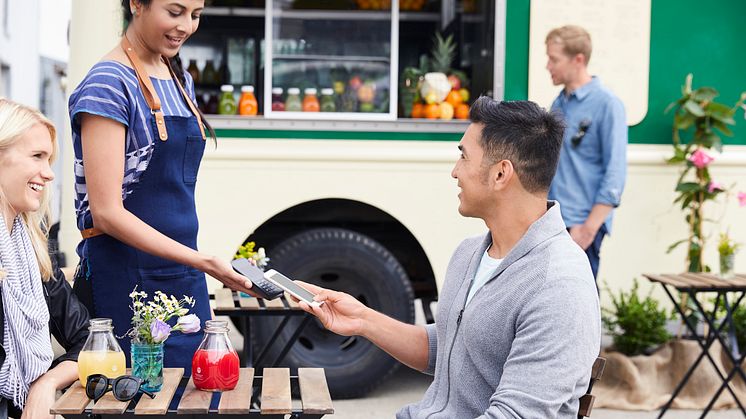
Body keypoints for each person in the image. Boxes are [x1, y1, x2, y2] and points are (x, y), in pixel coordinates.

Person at [297, 97, 601, 418]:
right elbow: (451, 348)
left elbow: (516, 414)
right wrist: (362, 320)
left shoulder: (559, 285)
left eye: (464, 157)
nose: (455, 172)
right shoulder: (470, 252)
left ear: (500, 174)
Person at [68, 0, 254, 373]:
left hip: (184, 279)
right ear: (137, 3)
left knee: (198, 397)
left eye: (196, 15)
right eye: (174, 12)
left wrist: (199, 265)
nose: (185, 25)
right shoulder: (108, 83)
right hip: (127, 283)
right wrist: (204, 263)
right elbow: (105, 213)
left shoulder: (177, 78)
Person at [0, 98, 90, 419]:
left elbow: (91, 341)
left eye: (49, 159)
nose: (49, 173)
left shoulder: (32, 253)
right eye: (37, 156)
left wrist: (45, 383)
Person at [544, 25, 628, 280]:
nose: (548, 65)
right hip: (556, 221)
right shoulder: (558, 104)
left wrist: (588, 229)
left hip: (581, 225)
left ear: (578, 60)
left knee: (580, 306)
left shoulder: (608, 105)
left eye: (554, 59)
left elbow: (615, 175)